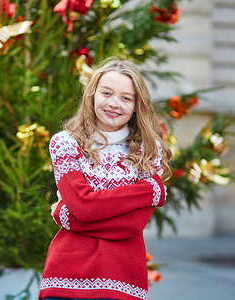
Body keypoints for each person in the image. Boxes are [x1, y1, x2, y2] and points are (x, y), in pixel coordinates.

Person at [39, 58, 172, 300]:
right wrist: (151, 191)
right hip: (66, 275)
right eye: (107, 93)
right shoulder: (66, 144)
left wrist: (65, 215)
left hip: (123, 277)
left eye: (126, 98)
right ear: (92, 95)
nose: (114, 104)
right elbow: (84, 206)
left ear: (135, 106)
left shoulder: (148, 151)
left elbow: (132, 224)